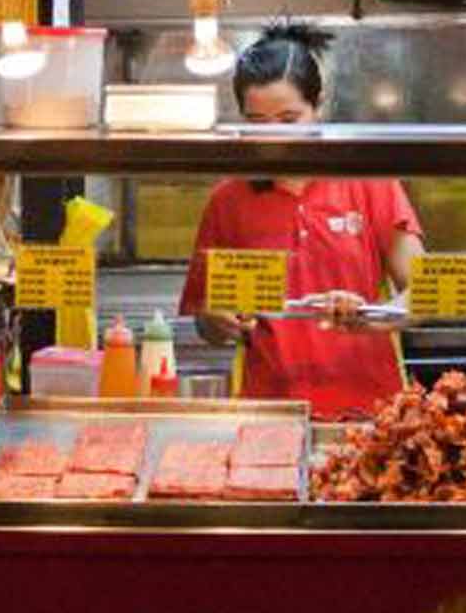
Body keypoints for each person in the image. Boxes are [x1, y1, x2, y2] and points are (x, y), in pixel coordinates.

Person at [179, 23, 425, 418]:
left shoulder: (368, 181)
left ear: (319, 106)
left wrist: (370, 317)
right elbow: (205, 323)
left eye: (289, 118)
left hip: (371, 412)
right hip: (269, 412)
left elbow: (425, 291)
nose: (273, 136)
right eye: (256, 123)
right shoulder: (228, 199)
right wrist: (217, 318)